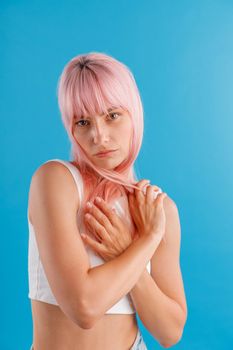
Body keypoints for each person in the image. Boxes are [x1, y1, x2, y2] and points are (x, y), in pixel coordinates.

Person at [27, 52, 187, 350]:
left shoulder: (158, 210)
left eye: (112, 115)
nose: (98, 136)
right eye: (83, 121)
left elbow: (170, 331)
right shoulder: (56, 181)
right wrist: (147, 240)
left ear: (134, 114)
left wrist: (128, 252)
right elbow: (83, 308)